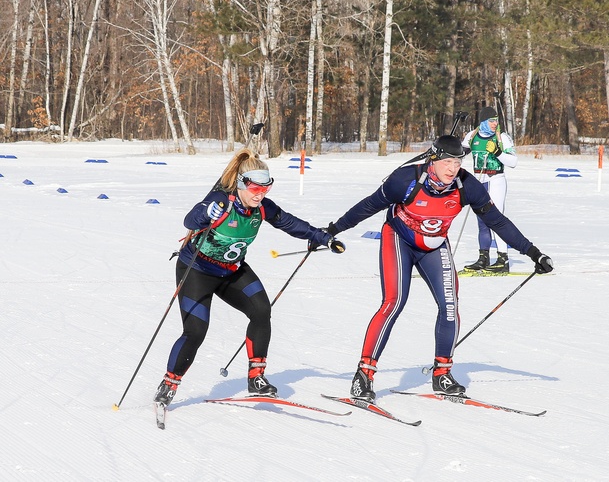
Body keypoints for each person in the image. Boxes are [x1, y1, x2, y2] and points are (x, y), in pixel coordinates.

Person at [326, 135, 553, 402]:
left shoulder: (467, 185)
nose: (452, 168)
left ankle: (442, 374)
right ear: (432, 160)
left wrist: (532, 252)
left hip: (434, 246)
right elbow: (368, 205)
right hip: (399, 240)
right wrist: (333, 230)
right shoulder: (406, 180)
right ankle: (363, 376)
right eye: (447, 162)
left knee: (450, 306)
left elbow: (498, 223)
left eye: (457, 162)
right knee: (394, 302)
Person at [154, 149, 339, 407]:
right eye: (254, 187)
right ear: (241, 184)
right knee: (196, 331)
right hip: (197, 270)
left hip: (231, 270)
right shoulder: (221, 201)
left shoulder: (262, 208)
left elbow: (290, 223)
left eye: (266, 188)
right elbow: (190, 220)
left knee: (261, 310)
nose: (260, 194)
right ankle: (169, 385)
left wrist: (323, 238)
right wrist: (205, 214)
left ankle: (256, 378)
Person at [462, 106, 519, 272]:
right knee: (481, 222)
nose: (495, 124)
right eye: (491, 121)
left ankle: (502, 259)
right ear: (483, 121)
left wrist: (498, 152)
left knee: (496, 219)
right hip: (480, 180)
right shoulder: (472, 136)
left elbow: (513, 162)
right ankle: (483, 258)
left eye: (496, 120)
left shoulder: (502, 138)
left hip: (496, 180)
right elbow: (460, 152)